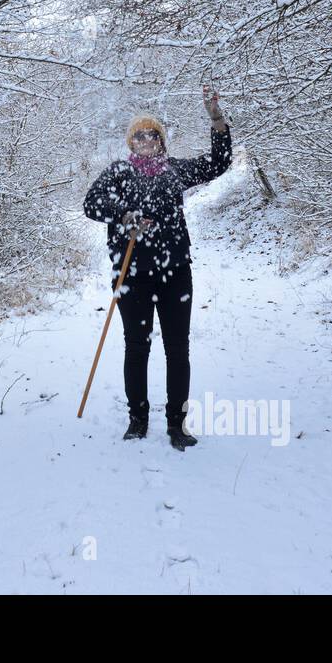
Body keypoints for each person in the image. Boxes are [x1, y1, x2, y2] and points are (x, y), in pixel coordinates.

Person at [82, 86, 232, 450]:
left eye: (152, 135)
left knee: (177, 349)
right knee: (137, 347)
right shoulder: (117, 173)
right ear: (131, 142)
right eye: (139, 135)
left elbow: (218, 163)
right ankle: (138, 419)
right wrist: (123, 214)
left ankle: (177, 425)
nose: (146, 140)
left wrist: (216, 120)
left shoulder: (175, 170)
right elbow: (91, 204)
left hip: (175, 271)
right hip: (131, 272)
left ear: (161, 141)